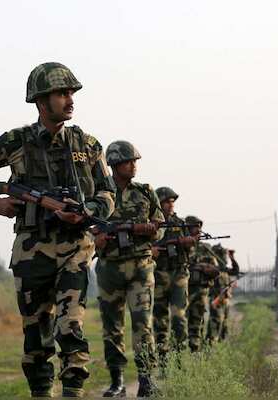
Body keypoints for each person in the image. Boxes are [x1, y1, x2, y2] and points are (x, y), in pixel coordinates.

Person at [0, 62, 115, 397]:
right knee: (36, 337)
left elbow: (108, 193)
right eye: (62, 93)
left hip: (75, 248)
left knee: (70, 327)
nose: (70, 99)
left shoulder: (88, 145)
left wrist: (86, 213)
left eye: (71, 93)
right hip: (32, 251)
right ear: (41, 101)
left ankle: (72, 392)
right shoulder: (16, 141)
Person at [93, 141, 164, 397]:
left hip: (140, 267)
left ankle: (146, 380)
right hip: (109, 267)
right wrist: (96, 238)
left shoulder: (145, 192)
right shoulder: (98, 192)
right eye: (128, 161)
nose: (133, 165)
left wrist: (148, 230)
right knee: (112, 326)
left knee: (143, 324)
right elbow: (83, 224)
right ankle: (117, 381)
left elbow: (161, 226)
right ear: (114, 164)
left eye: (135, 161)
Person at [151, 187, 196, 365]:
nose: (171, 205)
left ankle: (179, 360)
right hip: (158, 274)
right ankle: (163, 360)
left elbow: (191, 249)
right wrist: (152, 250)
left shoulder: (180, 224)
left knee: (178, 317)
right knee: (160, 320)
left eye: (172, 202)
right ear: (159, 204)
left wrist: (188, 242)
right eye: (166, 202)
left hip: (178, 273)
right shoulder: (151, 224)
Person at [185, 216, 219, 353]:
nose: (198, 230)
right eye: (194, 227)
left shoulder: (205, 249)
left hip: (201, 291)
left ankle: (195, 351)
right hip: (183, 289)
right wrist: (196, 267)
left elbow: (216, 271)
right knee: (179, 321)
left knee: (197, 322)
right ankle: (177, 351)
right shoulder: (182, 246)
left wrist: (205, 268)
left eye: (199, 227)